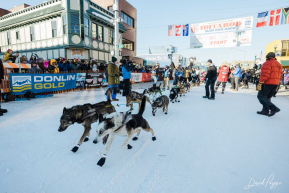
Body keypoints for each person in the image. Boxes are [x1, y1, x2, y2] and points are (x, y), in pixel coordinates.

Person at [257, 52, 282, 117]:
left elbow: (265, 74)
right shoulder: (279, 64)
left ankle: (273, 108)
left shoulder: (267, 63)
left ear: (267, 57)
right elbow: (280, 75)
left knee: (261, 96)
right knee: (267, 97)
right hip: (276, 83)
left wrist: (260, 82)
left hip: (268, 83)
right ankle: (265, 110)